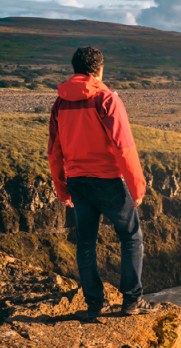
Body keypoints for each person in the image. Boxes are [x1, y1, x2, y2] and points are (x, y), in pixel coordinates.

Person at [48, 46, 156, 322]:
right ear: (99, 70)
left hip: (77, 182)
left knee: (85, 243)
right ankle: (132, 300)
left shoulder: (60, 104)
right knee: (131, 236)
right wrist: (137, 188)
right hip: (107, 180)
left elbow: (54, 150)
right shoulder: (106, 99)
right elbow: (124, 147)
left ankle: (94, 303)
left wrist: (62, 189)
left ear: (75, 69)